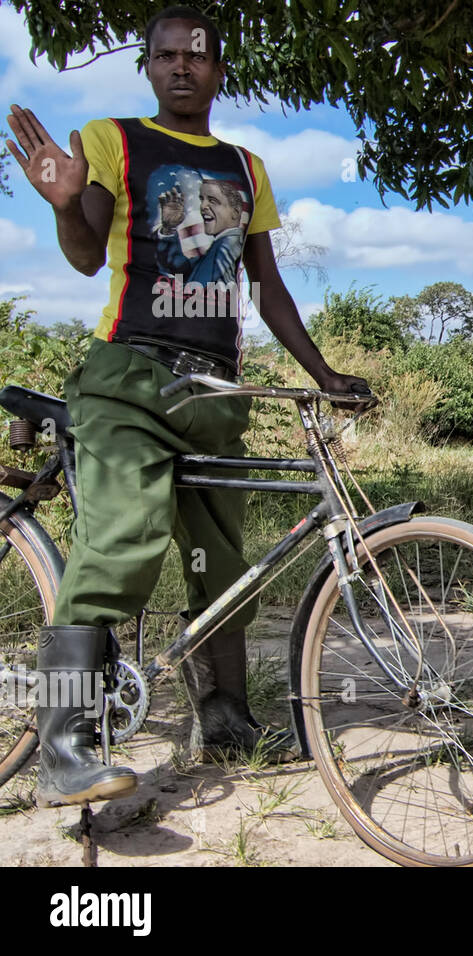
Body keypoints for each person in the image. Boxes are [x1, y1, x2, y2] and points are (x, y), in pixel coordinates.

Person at [4, 6, 371, 808]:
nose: (181, 67)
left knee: (220, 563)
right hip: (128, 379)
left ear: (219, 71)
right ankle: (63, 746)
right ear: (148, 67)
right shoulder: (113, 139)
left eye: (196, 57)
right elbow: (86, 252)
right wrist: (66, 203)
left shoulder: (246, 167)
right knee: (127, 534)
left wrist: (325, 370)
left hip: (217, 391)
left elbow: (267, 289)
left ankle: (225, 715)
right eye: (166, 55)